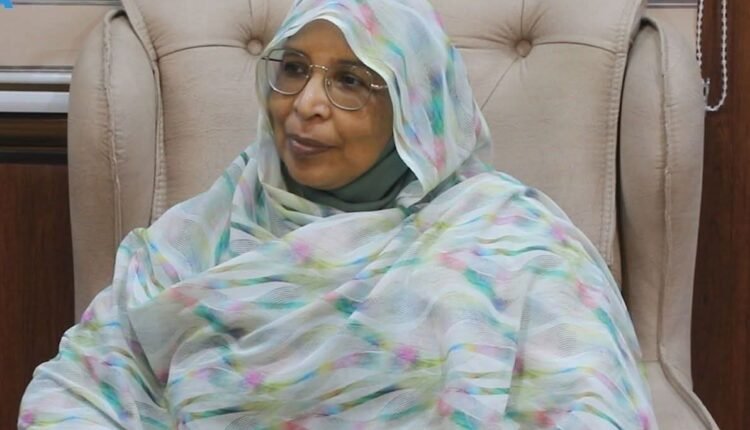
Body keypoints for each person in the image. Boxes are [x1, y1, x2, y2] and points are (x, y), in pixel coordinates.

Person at [19, 0, 657, 428]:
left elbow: (590, 406)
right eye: (294, 69)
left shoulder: (515, 243)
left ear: (415, 110)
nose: (305, 106)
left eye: (350, 80)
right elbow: (81, 385)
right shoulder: (206, 230)